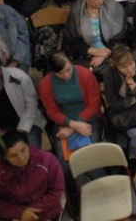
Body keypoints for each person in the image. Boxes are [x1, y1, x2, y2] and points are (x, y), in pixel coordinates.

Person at [37, 51, 103, 183]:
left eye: (68, 70)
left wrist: (73, 127)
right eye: (61, 73)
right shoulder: (45, 85)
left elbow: (94, 105)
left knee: (89, 160)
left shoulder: (85, 75)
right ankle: (77, 192)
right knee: (65, 165)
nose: (66, 75)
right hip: (63, 123)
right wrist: (72, 124)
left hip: (88, 119)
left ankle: (107, 186)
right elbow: (52, 112)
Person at [0, 130, 64, 221]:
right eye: (13, 156)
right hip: (13, 215)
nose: (21, 158)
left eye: (23, 150)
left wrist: (31, 212)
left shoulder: (47, 160)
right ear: (4, 157)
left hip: (45, 211)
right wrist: (20, 213)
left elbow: (56, 190)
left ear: (28, 145)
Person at [62, 0, 128, 69]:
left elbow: (122, 36)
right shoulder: (76, 10)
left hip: (113, 51)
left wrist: (105, 53)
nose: (101, 1)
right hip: (85, 54)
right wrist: (94, 51)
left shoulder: (115, 8)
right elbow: (72, 39)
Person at [0, 50, 46, 147]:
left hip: (28, 123)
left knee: (32, 150)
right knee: (7, 153)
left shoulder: (18, 75)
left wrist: (22, 128)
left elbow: (32, 104)